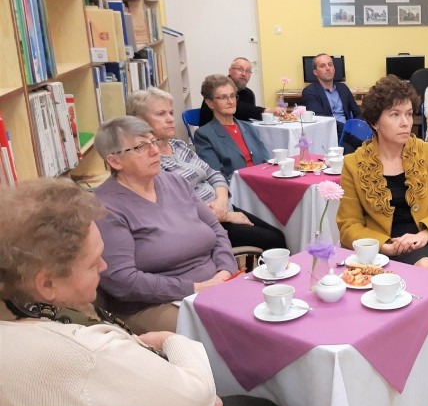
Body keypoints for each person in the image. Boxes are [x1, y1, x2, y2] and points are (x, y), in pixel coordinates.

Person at [0, 179, 327, 406]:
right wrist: (170, 342)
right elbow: (198, 397)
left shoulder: (21, 327)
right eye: (93, 262)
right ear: (46, 283)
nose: (105, 268)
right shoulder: (84, 354)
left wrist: (192, 396)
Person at [337, 75, 428, 406]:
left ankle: (420, 402)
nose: (406, 122)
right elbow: (347, 228)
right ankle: (388, 403)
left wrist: (424, 234)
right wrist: (386, 245)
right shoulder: (354, 164)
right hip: (381, 254)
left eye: (409, 113)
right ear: (376, 121)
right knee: (388, 297)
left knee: (423, 270)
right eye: (395, 115)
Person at [94, 116, 237, 333]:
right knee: (226, 331)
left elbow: (217, 231)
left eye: (154, 142)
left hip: (215, 284)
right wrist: (195, 287)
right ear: (114, 161)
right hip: (152, 305)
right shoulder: (106, 207)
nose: (154, 151)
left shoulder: (176, 182)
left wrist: (225, 271)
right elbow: (122, 280)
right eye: (141, 147)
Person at [127, 87, 287, 251]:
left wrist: (222, 202)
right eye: (161, 114)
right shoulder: (149, 160)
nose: (170, 119)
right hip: (202, 223)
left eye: (170, 113)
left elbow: (214, 174)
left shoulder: (178, 145)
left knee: (278, 234)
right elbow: (176, 206)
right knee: (273, 240)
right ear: (140, 121)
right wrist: (224, 215)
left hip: (222, 207)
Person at [194, 74, 271, 180]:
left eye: (232, 96)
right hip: (236, 190)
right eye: (223, 97)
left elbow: (266, 162)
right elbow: (216, 176)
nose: (230, 101)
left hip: (264, 183)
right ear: (210, 103)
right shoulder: (204, 135)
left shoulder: (250, 128)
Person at [301, 53, 362, 149]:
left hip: (350, 132)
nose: (328, 68)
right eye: (322, 66)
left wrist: (359, 128)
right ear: (315, 72)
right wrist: (348, 131)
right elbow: (323, 120)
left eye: (330, 65)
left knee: (374, 145)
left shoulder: (343, 88)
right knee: (352, 152)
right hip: (330, 135)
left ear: (334, 68)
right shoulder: (310, 92)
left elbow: (357, 112)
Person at [198, 57, 282, 126]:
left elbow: (248, 115)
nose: (244, 74)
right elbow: (239, 107)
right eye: (240, 69)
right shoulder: (216, 88)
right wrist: (266, 111)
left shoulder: (248, 93)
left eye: (248, 71)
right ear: (230, 71)